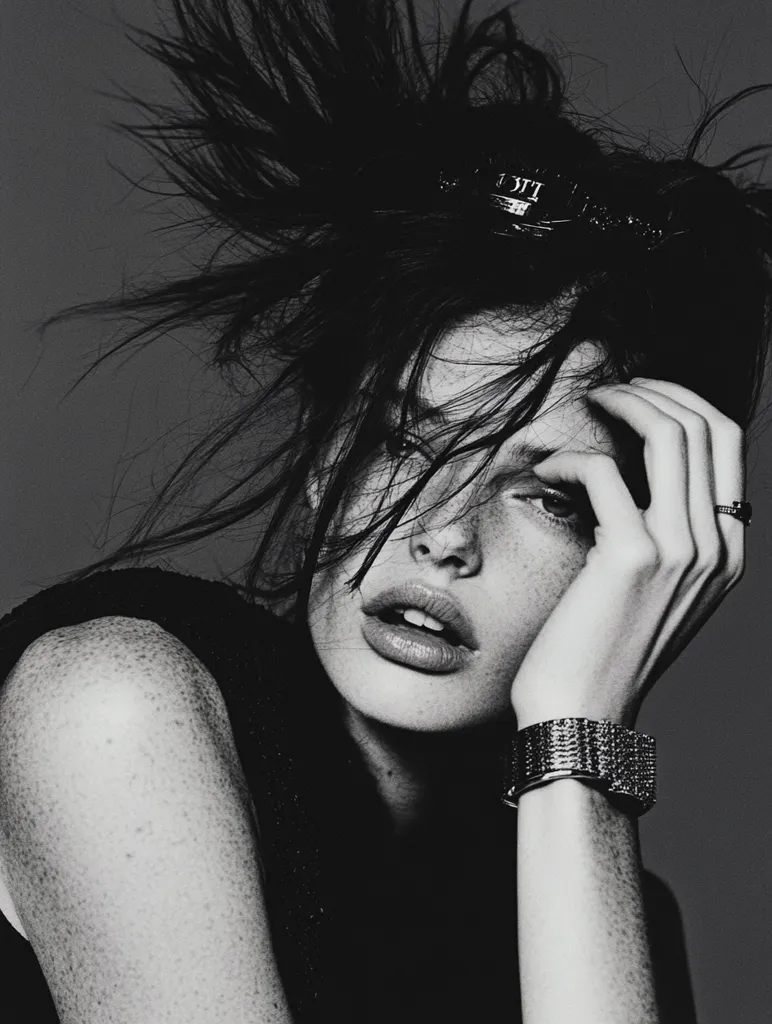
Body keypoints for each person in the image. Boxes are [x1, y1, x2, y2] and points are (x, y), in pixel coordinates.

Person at [0, 1, 769, 1021]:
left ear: (648, 551)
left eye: (546, 496)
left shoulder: (592, 884)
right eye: (406, 441)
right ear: (326, 456)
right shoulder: (115, 702)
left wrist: (580, 751)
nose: (443, 537)